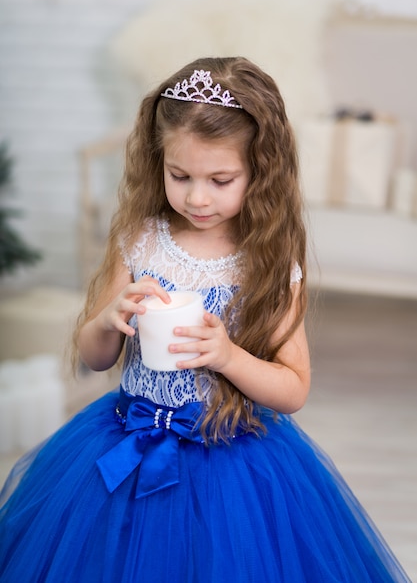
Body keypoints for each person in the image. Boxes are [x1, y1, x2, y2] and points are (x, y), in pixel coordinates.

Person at [0, 57, 410, 583]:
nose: (197, 197)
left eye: (220, 179)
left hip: (230, 461)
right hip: (127, 438)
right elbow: (93, 357)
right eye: (180, 175)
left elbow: (293, 389)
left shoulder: (266, 261)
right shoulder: (142, 239)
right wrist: (108, 319)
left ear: (260, 171)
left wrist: (228, 356)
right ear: (159, 162)